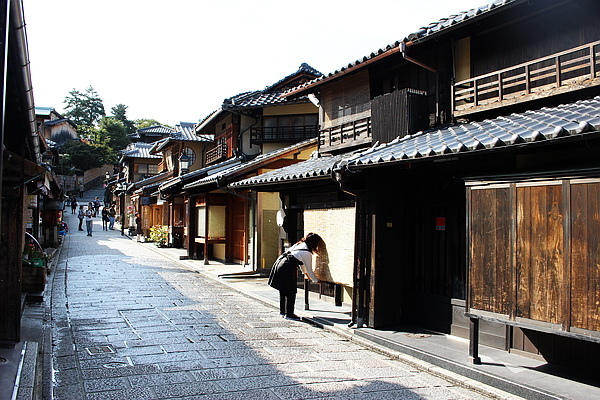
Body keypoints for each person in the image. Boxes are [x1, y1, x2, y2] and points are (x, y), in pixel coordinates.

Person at [268, 233, 321, 320]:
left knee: (283, 290)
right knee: (291, 291)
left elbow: (301, 263)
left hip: (280, 263)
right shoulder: (307, 253)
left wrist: (305, 274)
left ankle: (283, 312)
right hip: (287, 267)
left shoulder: (300, 245)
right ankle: (289, 314)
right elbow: (309, 269)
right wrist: (316, 280)